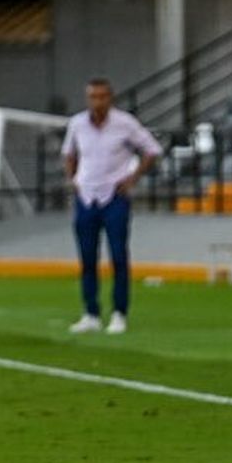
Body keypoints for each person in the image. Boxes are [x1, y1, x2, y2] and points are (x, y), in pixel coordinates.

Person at [62, 78, 162, 335]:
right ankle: (91, 312)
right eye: (93, 97)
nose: (97, 102)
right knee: (87, 258)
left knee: (118, 256)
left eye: (102, 97)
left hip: (114, 195)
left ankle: (119, 312)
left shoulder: (124, 124)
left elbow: (151, 149)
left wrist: (132, 177)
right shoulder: (77, 124)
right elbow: (69, 153)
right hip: (86, 195)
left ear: (110, 98)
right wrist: (73, 180)